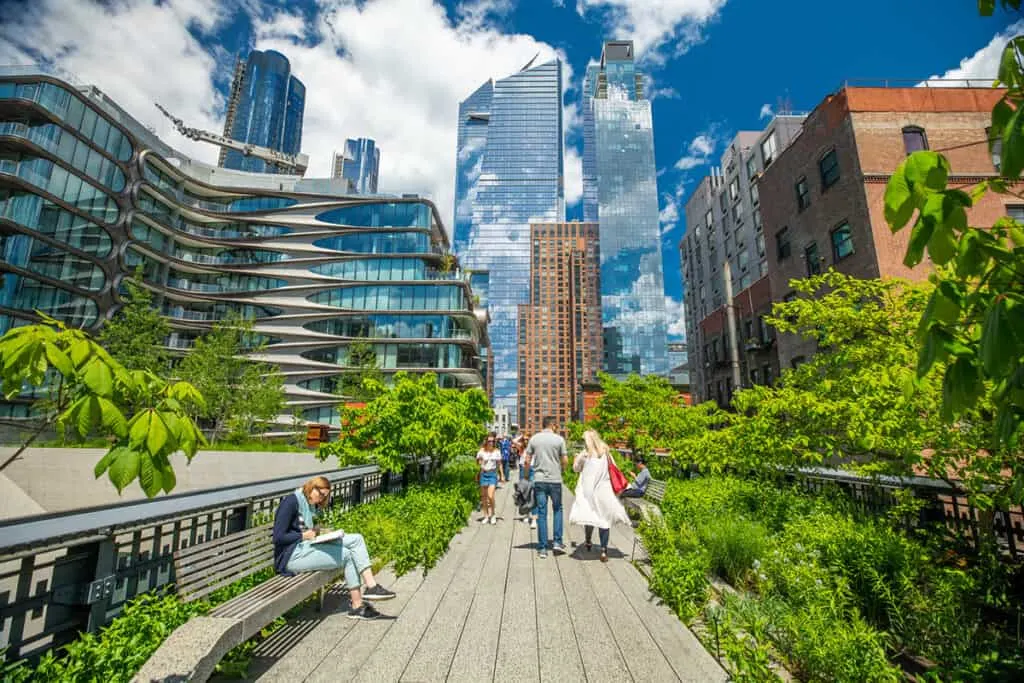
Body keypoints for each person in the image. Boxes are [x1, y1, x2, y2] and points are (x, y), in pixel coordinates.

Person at [272, 476, 396, 620]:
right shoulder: (291, 502)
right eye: (321, 494)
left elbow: (305, 530)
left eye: (325, 496)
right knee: (346, 555)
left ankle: (371, 586)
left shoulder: (309, 504)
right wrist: (304, 535)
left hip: (307, 547)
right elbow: (278, 537)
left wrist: (319, 533)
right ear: (312, 488)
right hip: (291, 556)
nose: (321, 499)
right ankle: (357, 606)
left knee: (357, 539)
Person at [569, 430, 629, 562]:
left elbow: (575, 469)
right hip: (604, 491)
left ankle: (588, 541)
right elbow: (614, 468)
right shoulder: (606, 454)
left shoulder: (585, 454)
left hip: (589, 490)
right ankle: (603, 551)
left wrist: (575, 459)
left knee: (590, 515)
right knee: (604, 520)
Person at [524, 416, 567, 558]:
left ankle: (542, 548)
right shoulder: (559, 440)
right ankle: (556, 542)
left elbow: (527, 460)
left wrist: (525, 476)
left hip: (539, 480)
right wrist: (562, 471)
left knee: (541, 513)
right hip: (555, 480)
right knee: (557, 509)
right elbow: (565, 460)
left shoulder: (534, 439)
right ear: (553, 425)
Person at [476, 432, 503, 524]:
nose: (491, 442)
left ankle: (493, 514)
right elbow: (477, 462)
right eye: (489, 441)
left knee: (490, 496)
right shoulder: (482, 451)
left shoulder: (497, 451)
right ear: (486, 441)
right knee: (483, 497)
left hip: (492, 474)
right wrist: (480, 461)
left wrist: (502, 475)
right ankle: (486, 516)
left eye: (493, 441)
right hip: (483, 474)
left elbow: (499, 464)